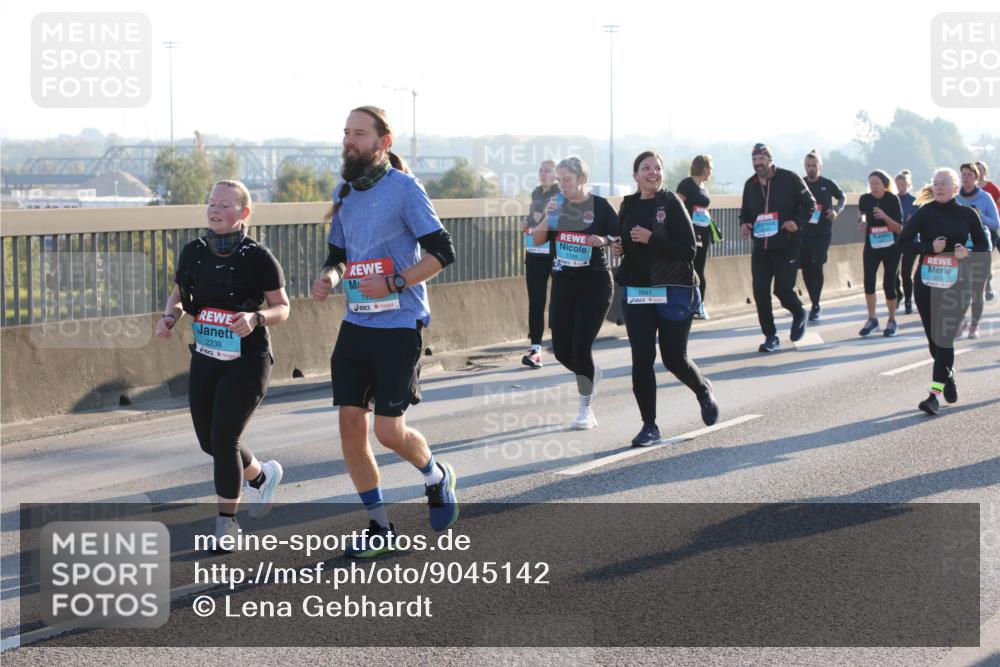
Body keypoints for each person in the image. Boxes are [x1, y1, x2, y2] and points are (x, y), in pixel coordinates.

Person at [312, 106, 458, 558]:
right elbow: (339, 255)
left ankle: (436, 476)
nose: (349, 141)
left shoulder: (405, 189)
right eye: (346, 133)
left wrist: (395, 281)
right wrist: (330, 278)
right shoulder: (346, 192)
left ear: (383, 142)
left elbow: (442, 252)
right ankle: (379, 526)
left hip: (399, 323)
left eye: (359, 133)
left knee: (389, 432)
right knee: (350, 425)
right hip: (357, 322)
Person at [156, 180, 290, 549]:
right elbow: (180, 295)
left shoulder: (257, 256)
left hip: (248, 360)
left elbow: (283, 306)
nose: (215, 209)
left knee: (225, 437)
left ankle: (226, 523)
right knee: (209, 441)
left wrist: (257, 318)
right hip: (207, 355)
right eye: (212, 202)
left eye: (225, 205)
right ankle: (261, 477)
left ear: (244, 213)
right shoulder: (194, 252)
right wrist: (170, 317)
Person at [614, 151, 719, 447]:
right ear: (635, 175)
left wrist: (652, 239)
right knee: (642, 358)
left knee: (674, 358)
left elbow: (688, 250)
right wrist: (620, 248)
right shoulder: (629, 204)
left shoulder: (671, 203)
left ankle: (703, 391)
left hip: (672, 290)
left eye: (657, 168)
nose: (653, 172)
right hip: (637, 291)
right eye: (645, 168)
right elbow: (625, 240)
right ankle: (650, 426)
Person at [532, 156, 617, 429]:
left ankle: (586, 410)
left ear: (582, 179)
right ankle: (591, 372)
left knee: (581, 346)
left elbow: (619, 236)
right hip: (564, 283)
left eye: (566, 179)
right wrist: (548, 214)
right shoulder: (557, 205)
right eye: (559, 180)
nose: (562, 185)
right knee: (560, 350)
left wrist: (603, 240)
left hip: (594, 283)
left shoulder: (600, 206)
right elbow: (537, 239)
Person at [898, 168, 987, 415]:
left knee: (944, 338)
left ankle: (933, 396)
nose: (938, 187)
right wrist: (928, 247)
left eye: (944, 183)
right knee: (934, 343)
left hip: (956, 285)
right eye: (935, 183)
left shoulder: (968, 214)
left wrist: (966, 253)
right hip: (926, 284)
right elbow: (903, 242)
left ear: (956, 188)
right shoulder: (924, 213)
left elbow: (982, 245)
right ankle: (948, 375)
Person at [739, 143, 814, 352]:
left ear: (770, 159)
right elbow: (745, 213)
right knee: (760, 292)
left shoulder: (789, 178)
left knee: (782, 290)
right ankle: (770, 336)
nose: (757, 164)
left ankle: (799, 311)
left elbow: (810, 204)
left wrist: (796, 223)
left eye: (761, 159)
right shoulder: (750, 184)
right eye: (754, 160)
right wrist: (744, 225)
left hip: (786, 245)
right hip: (761, 247)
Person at [799, 150, 846, 321]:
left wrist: (836, 211)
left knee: (817, 265)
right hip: (804, 232)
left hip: (822, 232)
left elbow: (842, 197)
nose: (811, 169)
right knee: (805, 268)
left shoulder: (827, 183)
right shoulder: (800, 183)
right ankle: (813, 300)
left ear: (820, 166)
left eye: (814, 166)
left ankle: (816, 304)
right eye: (808, 166)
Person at [857, 170, 904, 337]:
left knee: (889, 284)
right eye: (871, 183)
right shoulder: (865, 199)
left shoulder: (892, 199)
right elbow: (862, 215)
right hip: (872, 245)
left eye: (877, 183)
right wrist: (862, 222)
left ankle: (892, 320)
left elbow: (899, 227)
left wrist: (884, 216)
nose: (874, 186)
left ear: (885, 184)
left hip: (891, 247)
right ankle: (872, 319)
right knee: (868, 281)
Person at [955, 162, 999, 340]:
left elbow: (996, 224)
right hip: (961, 249)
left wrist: (981, 216)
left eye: (969, 175)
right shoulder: (955, 198)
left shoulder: (986, 197)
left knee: (976, 292)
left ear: (976, 177)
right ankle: (960, 322)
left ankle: (974, 325)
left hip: (981, 249)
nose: (966, 178)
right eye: (963, 174)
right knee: (961, 290)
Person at [522, 160, 558, 369]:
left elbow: (549, 220)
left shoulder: (559, 194)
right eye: (540, 170)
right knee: (536, 301)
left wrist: (535, 220)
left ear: (555, 175)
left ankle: (565, 342)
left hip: (554, 254)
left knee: (558, 300)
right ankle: (536, 349)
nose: (543, 174)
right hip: (534, 252)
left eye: (547, 171)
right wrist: (528, 223)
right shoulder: (536, 193)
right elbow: (533, 219)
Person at [676, 155, 721, 320]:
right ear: (703, 168)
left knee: (700, 268)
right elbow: (677, 207)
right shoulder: (687, 184)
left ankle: (699, 305)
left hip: (704, 231)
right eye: (710, 168)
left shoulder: (703, 187)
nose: (711, 171)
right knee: (688, 267)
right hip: (689, 232)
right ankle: (687, 302)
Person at [895, 170, 920, 314]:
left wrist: (912, 222)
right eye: (898, 185)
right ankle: (899, 293)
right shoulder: (892, 199)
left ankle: (908, 302)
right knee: (893, 274)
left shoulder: (915, 201)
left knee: (906, 273)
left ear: (908, 185)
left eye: (903, 185)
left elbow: (921, 221)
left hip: (911, 242)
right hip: (895, 240)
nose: (901, 188)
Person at [975, 161, 999, 301]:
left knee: (986, 257)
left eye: (980, 169)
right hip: (973, 230)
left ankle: (988, 284)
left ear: (985, 171)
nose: (978, 172)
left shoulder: (992, 188)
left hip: (990, 228)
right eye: (976, 170)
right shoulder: (970, 188)